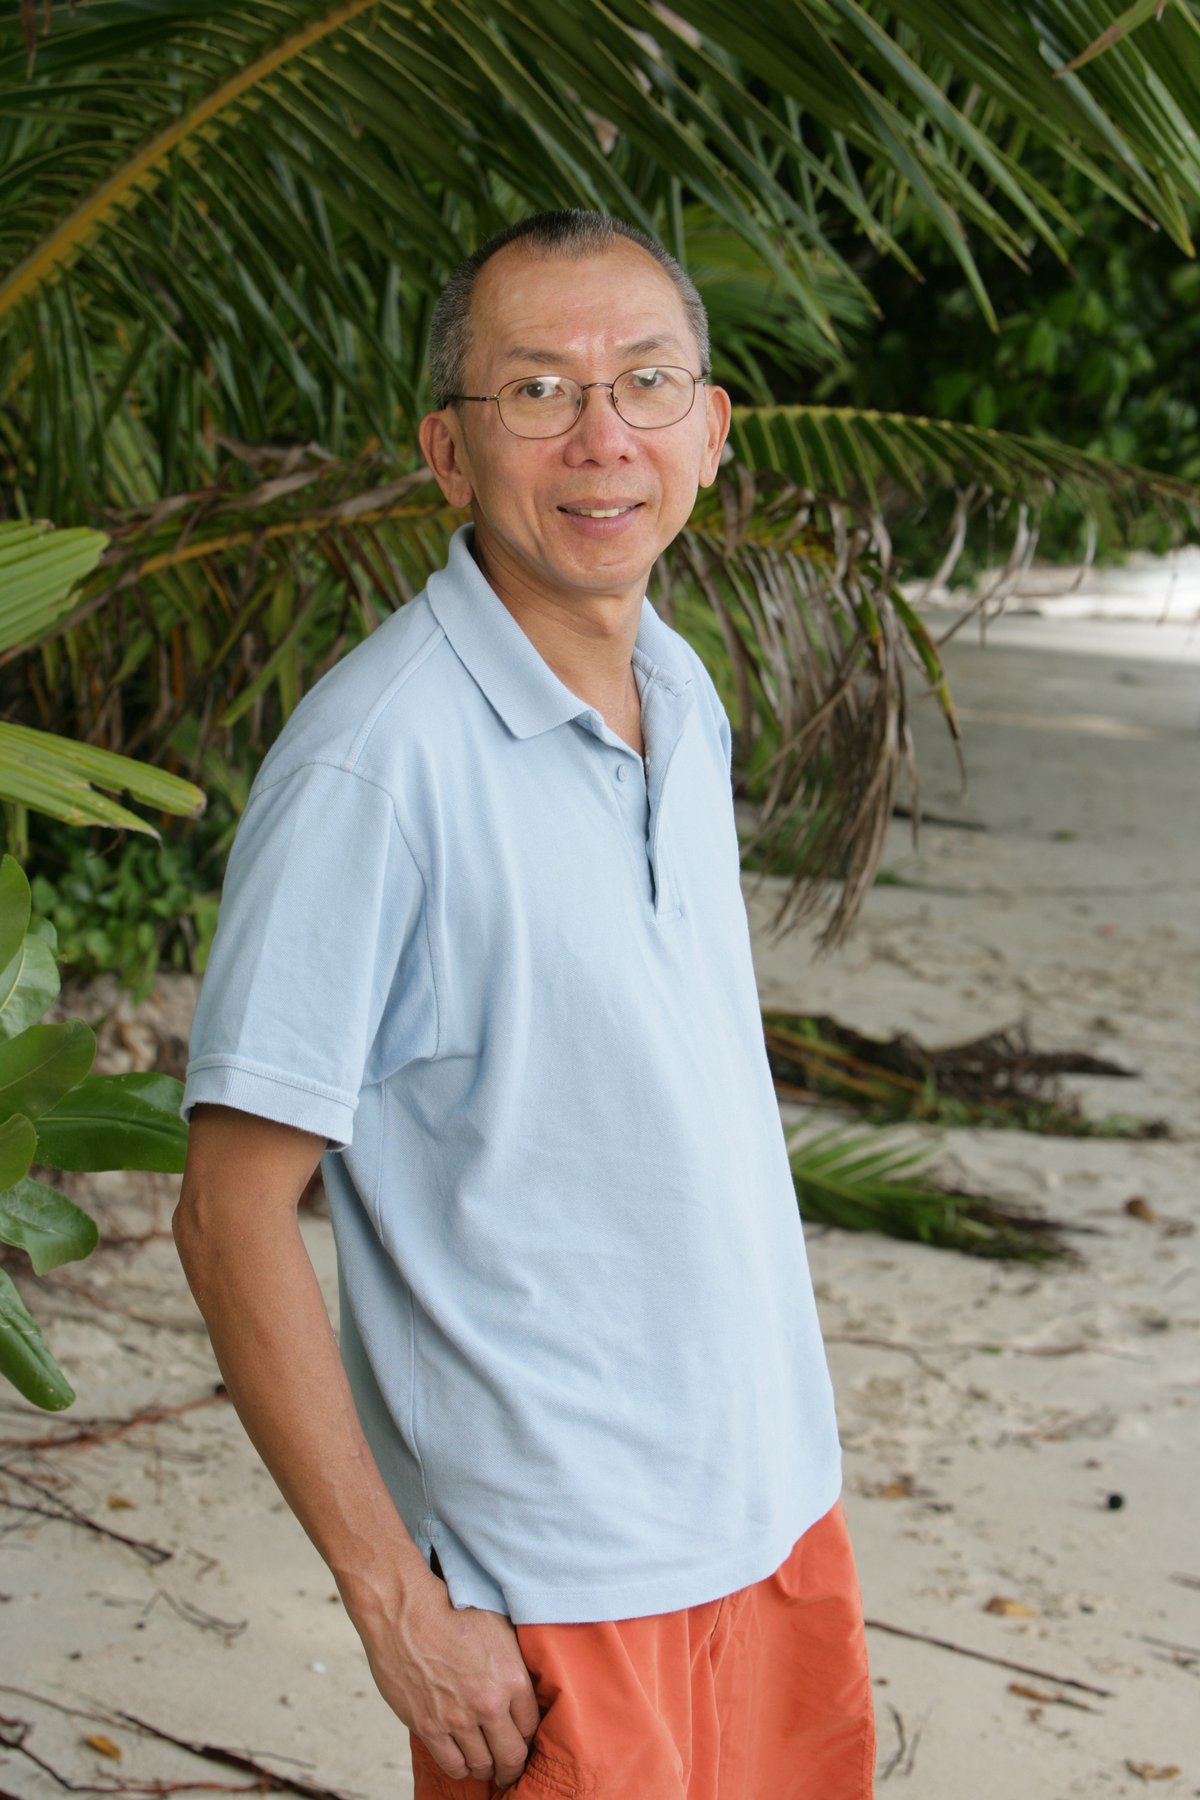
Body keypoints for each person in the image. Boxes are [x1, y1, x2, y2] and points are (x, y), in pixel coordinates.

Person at [174, 209, 876, 1800]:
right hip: (556, 1575)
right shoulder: (375, 766)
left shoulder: (679, 690)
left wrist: (791, 1490)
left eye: (646, 382)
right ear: (449, 450)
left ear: (712, 428)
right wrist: (393, 1602)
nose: (602, 437)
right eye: (539, 390)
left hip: (774, 1516)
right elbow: (228, 1213)